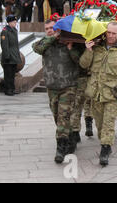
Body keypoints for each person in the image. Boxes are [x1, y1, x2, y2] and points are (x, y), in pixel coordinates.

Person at [79, 22, 117, 166]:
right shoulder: (97, 47)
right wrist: (88, 50)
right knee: (99, 124)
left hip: (113, 94)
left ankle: (106, 149)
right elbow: (83, 64)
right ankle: (104, 141)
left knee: (108, 123)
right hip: (96, 93)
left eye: (114, 33)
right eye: (109, 32)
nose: (111, 36)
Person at [32, 19, 80, 163]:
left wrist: (70, 48)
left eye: (52, 28)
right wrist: (51, 38)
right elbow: (37, 48)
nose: (49, 30)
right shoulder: (44, 44)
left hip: (68, 86)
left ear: (58, 28)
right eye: (47, 28)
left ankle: (61, 148)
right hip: (52, 87)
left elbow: (80, 60)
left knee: (63, 116)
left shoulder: (68, 42)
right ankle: (70, 136)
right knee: (56, 116)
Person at [0, 15, 21, 96]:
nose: (15, 23)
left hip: (14, 55)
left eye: (15, 22)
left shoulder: (14, 30)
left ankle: (12, 89)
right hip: (8, 56)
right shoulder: (5, 31)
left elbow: (15, 45)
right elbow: (4, 45)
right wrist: (7, 56)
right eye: (14, 22)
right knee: (8, 74)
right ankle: (8, 90)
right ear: (9, 22)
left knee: (12, 74)